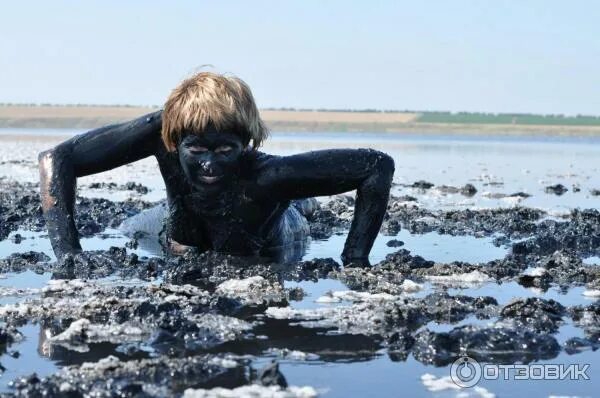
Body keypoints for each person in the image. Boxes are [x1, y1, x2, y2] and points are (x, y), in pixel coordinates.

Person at [39, 72, 394, 266]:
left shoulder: (272, 176)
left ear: (247, 143)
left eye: (225, 149)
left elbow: (377, 166)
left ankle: (303, 202)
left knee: (300, 206)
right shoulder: (161, 132)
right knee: (127, 227)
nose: (209, 165)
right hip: (175, 228)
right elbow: (56, 160)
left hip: (275, 230)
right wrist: (69, 255)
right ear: (174, 140)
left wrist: (355, 258)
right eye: (196, 149)